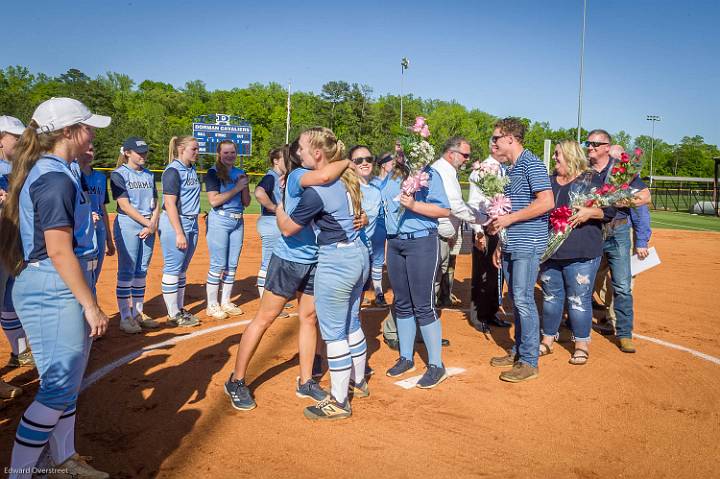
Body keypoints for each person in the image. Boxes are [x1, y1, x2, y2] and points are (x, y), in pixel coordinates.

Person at [0, 97, 110, 478]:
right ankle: (22, 472)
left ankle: (62, 460)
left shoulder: (56, 170)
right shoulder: (54, 177)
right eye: (87, 126)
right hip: (51, 285)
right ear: (68, 132)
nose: (93, 132)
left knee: (64, 384)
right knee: (58, 388)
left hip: (54, 282)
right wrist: (90, 305)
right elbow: (59, 250)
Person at [224, 139, 351, 411]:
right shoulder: (295, 176)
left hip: (316, 259)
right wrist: (348, 159)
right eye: (304, 150)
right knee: (265, 318)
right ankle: (236, 380)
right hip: (289, 259)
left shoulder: (313, 180)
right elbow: (326, 173)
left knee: (308, 318)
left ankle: (306, 381)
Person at [277, 128, 369, 420]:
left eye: (302, 148)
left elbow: (289, 228)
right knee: (352, 322)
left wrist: (277, 209)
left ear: (318, 154)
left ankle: (340, 402)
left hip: (337, 262)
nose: (298, 153)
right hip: (358, 255)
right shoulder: (349, 178)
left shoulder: (317, 191)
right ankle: (360, 381)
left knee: (334, 333)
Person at [487, 117, 554, 383]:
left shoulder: (532, 163)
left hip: (529, 244)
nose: (493, 143)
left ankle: (529, 362)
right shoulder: (511, 169)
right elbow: (510, 210)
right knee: (517, 300)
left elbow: (546, 201)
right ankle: (518, 352)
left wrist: (510, 220)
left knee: (524, 300)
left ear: (510, 139)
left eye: (496, 138)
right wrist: (501, 242)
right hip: (513, 243)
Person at [382, 140, 451, 389]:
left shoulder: (429, 174)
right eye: (397, 148)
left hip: (421, 242)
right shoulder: (391, 175)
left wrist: (413, 205)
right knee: (402, 303)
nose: (400, 152)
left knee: (423, 304)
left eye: (405, 148)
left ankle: (436, 365)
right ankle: (406, 357)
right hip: (396, 244)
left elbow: (444, 211)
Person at [538, 140, 615, 365]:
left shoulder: (591, 179)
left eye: (557, 154)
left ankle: (581, 344)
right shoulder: (550, 182)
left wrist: (590, 212)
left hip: (582, 252)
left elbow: (609, 211)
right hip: (552, 252)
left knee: (578, 299)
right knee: (551, 298)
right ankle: (547, 340)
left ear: (570, 156)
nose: (554, 158)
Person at [586, 130, 651, 353]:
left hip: (619, 232)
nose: (590, 147)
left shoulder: (621, 172)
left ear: (607, 147)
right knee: (584, 281)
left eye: (595, 144)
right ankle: (577, 326)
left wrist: (621, 200)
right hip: (591, 231)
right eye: (588, 143)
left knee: (622, 286)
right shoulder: (583, 171)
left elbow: (645, 196)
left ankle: (624, 334)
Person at [111, 137, 161, 333]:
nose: (143, 156)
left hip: (148, 225)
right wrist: (148, 224)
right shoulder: (119, 174)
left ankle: (138, 313)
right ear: (127, 153)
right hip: (129, 224)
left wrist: (152, 224)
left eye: (145, 152)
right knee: (127, 270)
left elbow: (156, 201)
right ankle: (125, 317)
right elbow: (124, 205)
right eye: (139, 152)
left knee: (141, 270)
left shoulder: (148, 175)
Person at [431, 137, 487, 307]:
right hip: (435, 236)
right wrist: (482, 218)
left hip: (443, 236)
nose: (467, 159)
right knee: (431, 283)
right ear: (451, 154)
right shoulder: (442, 170)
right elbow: (454, 205)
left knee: (436, 280)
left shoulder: (448, 170)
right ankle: (418, 327)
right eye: (465, 155)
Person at [0, 115, 31, 401]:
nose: (21, 142)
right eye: (15, 137)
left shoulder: (16, 168)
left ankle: (19, 352)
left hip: (12, 246)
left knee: (11, 301)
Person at [204, 140, 251, 319]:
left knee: (232, 265)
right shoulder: (213, 172)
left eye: (232, 152)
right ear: (219, 154)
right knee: (218, 264)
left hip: (238, 221)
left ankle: (225, 301)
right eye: (226, 153)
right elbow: (214, 201)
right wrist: (237, 188)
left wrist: (244, 186)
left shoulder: (240, 173)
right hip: (220, 220)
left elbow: (246, 202)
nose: (230, 156)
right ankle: (212, 305)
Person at [159, 136, 202, 327]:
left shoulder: (191, 169)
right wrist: (178, 232)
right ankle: (172, 313)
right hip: (176, 223)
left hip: (192, 222)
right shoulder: (173, 171)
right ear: (181, 149)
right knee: (172, 268)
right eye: (193, 149)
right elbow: (169, 203)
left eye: (197, 148)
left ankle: (180, 307)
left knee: (182, 269)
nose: (197, 152)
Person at [467, 156, 510, 331]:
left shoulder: (504, 169)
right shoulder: (481, 170)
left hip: (500, 227)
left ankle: (491, 313)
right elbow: (473, 203)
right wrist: (478, 232)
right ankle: (478, 316)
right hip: (484, 228)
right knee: (482, 274)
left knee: (495, 273)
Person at [351, 145, 388, 307]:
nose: (365, 163)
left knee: (356, 306)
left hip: (366, 252)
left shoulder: (376, 189)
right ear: (350, 164)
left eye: (368, 159)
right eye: (359, 160)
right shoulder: (347, 187)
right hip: (348, 255)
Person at [78, 144, 115, 288]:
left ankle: (92, 303)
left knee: (95, 271)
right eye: (86, 149)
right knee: (83, 271)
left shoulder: (100, 177)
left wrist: (109, 239)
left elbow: (103, 208)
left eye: (92, 150)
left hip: (99, 227)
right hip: (82, 226)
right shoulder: (72, 174)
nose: (90, 152)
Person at [255, 147, 286, 298]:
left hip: (276, 222)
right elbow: (259, 192)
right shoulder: (271, 177)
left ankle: (273, 297)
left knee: (277, 261)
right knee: (268, 262)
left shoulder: (281, 177)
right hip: (270, 222)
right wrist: (274, 208)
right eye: (285, 158)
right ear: (276, 161)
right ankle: (264, 299)